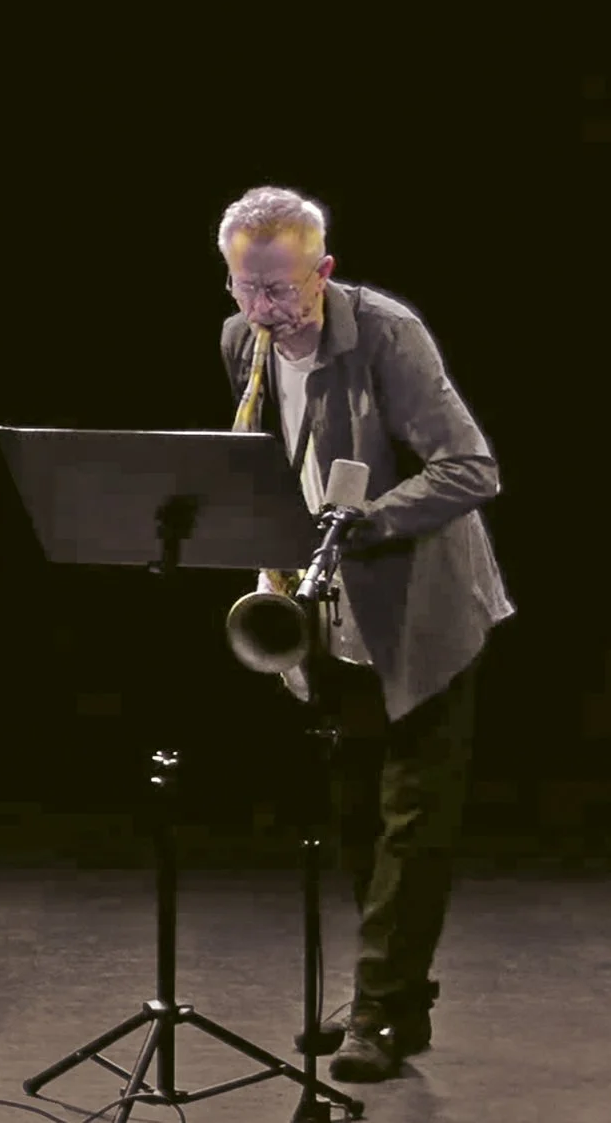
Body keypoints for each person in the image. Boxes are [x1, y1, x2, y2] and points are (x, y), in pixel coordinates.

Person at [215, 186, 514, 1083]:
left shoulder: (386, 334)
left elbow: (472, 467)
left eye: (282, 288)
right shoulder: (240, 340)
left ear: (325, 271)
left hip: (423, 607)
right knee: (355, 816)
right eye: (247, 287)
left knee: (411, 823)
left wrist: (362, 522)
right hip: (329, 610)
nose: (265, 309)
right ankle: (396, 998)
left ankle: (379, 1005)